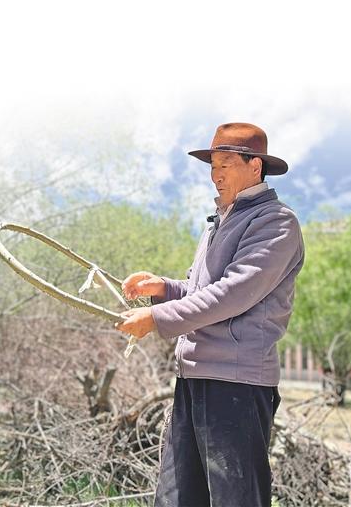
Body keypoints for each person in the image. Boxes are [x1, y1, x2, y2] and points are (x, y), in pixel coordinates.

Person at [115, 122, 305, 507]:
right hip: (193, 377)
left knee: (235, 500)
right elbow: (200, 292)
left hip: (236, 384)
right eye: (213, 166)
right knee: (177, 499)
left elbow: (231, 295)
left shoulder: (276, 223)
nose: (216, 175)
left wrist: (157, 318)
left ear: (255, 166)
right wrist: (162, 288)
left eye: (226, 165)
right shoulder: (218, 222)